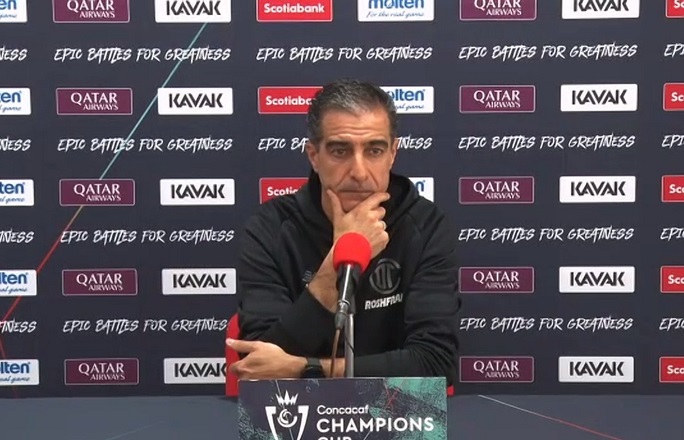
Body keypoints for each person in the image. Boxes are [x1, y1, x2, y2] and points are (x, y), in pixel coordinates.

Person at [226, 79, 461, 385]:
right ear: (314, 155)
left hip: (395, 409)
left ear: (393, 153)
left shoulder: (427, 227)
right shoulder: (269, 229)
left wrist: (306, 368)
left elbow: (437, 364)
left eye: (374, 150)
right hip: (296, 411)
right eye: (340, 151)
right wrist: (331, 271)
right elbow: (260, 369)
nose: (359, 172)